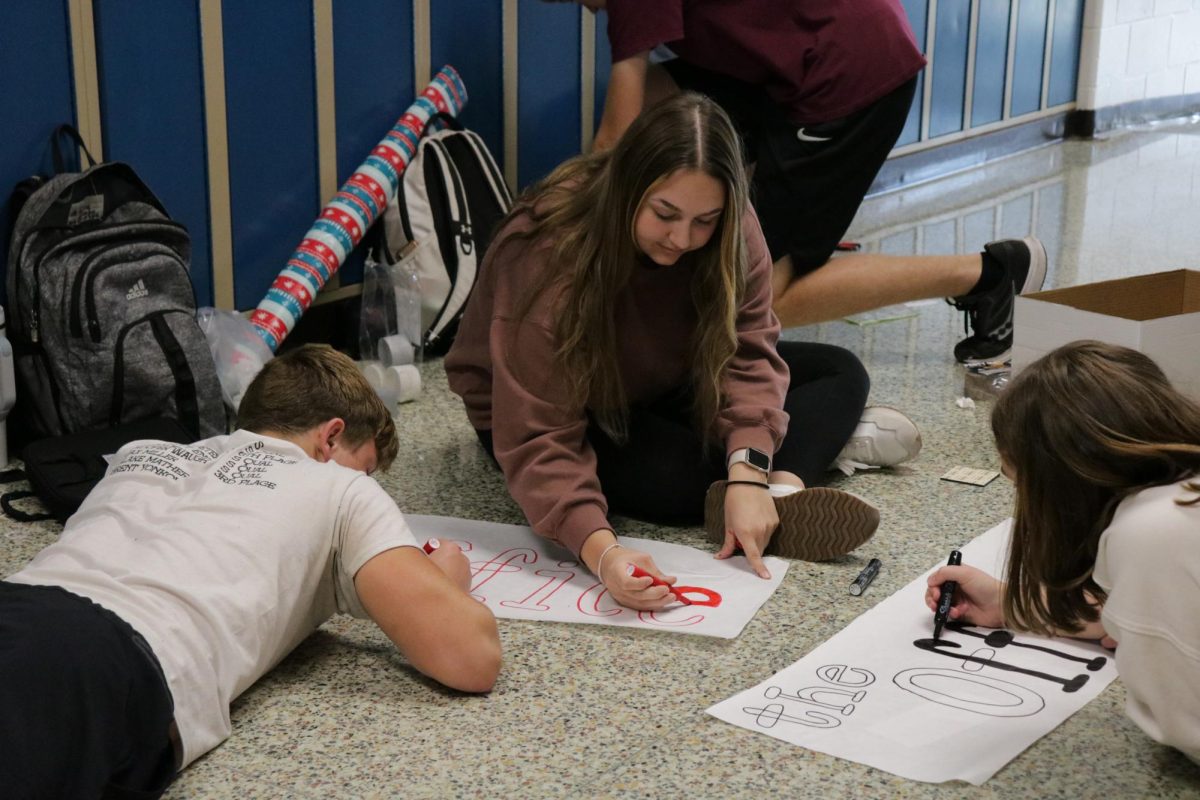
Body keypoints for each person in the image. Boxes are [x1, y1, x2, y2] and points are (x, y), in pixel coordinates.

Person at [445, 92, 911, 612]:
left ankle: (778, 493)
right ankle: (800, 454)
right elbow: (538, 434)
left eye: (703, 220)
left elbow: (750, 349)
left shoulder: (732, 225)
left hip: (660, 380)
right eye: (664, 213)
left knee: (839, 370)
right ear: (627, 189)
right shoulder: (549, 246)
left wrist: (748, 473)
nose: (681, 239)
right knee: (679, 483)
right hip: (543, 410)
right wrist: (603, 555)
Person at [0, 344, 501, 798]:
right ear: (331, 437)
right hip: (99, 658)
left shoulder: (140, 455)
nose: (366, 484)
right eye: (364, 467)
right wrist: (446, 580)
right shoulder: (338, 487)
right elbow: (470, 658)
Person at [556, 0, 1047, 364]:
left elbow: (614, 139)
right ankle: (704, 240)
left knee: (755, 296)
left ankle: (991, 275)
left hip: (847, 69)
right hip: (785, 60)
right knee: (659, 100)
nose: (589, 10)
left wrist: (559, 252)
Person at [925, 340, 1200, 762]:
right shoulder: (1177, 496)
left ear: (1062, 483)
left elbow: (1184, 727)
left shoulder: (1151, 532)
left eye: (1019, 484)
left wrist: (1137, 636)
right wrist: (1011, 604)